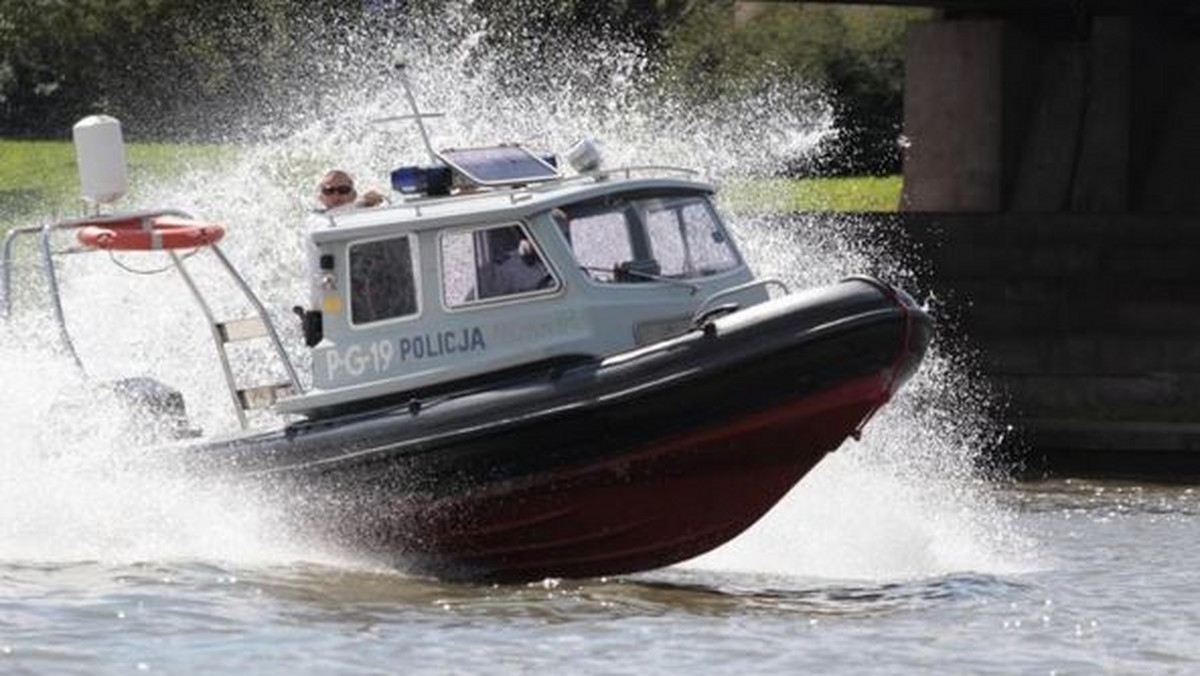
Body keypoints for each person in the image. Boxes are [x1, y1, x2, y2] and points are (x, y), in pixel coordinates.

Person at [316, 169, 385, 212]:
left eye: (343, 190)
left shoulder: (364, 212)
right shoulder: (315, 220)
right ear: (320, 197)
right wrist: (363, 202)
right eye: (329, 190)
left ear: (353, 195)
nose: (336, 195)